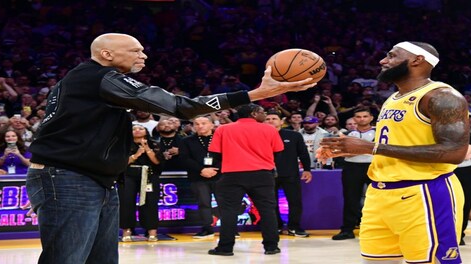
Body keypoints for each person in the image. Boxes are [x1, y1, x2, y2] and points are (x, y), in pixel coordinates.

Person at [25, 33, 315, 264]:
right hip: (69, 178)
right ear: (107, 55)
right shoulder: (100, 77)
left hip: (85, 178)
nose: (144, 55)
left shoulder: (86, 81)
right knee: (67, 258)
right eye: (136, 50)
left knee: (100, 259)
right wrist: (254, 94)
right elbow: (179, 107)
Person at [318, 41, 468, 263]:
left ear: (417, 60)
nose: (383, 61)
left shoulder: (442, 96)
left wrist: (371, 148)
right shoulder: (393, 97)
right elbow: (398, 142)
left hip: (424, 192)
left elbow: (454, 152)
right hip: (379, 193)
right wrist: (344, 149)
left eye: (391, 56)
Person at [207, 104, 284, 256]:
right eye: (263, 112)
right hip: (262, 174)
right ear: (254, 114)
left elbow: (215, 153)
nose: (265, 115)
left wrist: (231, 160)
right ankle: (271, 246)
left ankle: (225, 248)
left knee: (229, 211)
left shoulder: (223, 129)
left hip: (232, 174)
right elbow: (278, 152)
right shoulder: (270, 129)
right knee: (267, 211)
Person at [264, 110, 312, 237]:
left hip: (290, 173)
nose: (270, 121)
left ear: (281, 121)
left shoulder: (293, 135)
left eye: (274, 118)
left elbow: (303, 153)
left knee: (295, 201)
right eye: (267, 119)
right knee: (270, 202)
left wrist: (307, 169)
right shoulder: (259, 135)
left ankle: (294, 227)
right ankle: (276, 226)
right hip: (267, 174)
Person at [331, 109, 375, 241]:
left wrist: (355, 150)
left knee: (377, 199)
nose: (362, 119)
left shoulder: (379, 132)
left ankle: (377, 229)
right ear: (354, 119)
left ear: (371, 118)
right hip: (352, 167)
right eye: (358, 117)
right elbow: (340, 152)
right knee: (351, 199)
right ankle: (347, 230)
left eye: (365, 116)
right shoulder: (346, 133)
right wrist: (367, 149)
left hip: (373, 166)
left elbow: (382, 149)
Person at [179, 116, 221, 239]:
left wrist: (215, 169)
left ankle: (230, 229)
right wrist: (202, 169)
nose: (200, 126)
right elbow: (184, 158)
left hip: (219, 175)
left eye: (203, 123)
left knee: (224, 203)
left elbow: (228, 155)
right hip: (198, 176)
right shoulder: (186, 141)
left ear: (212, 125)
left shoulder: (221, 138)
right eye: (196, 124)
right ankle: (207, 229)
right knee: (203, 203)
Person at [119, 125, 161, 242]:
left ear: (146, 132)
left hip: (149, 175)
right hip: (128, 174)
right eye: (134, 129)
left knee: (150, 203)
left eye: (141, 128)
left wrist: (147, 149)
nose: (137, 130)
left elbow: (157, 161)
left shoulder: (154, 144)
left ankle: (152, 231)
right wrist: (136, 155)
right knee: (126, 202)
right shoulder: (124, 143)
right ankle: (126, 230)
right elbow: (121, 162)